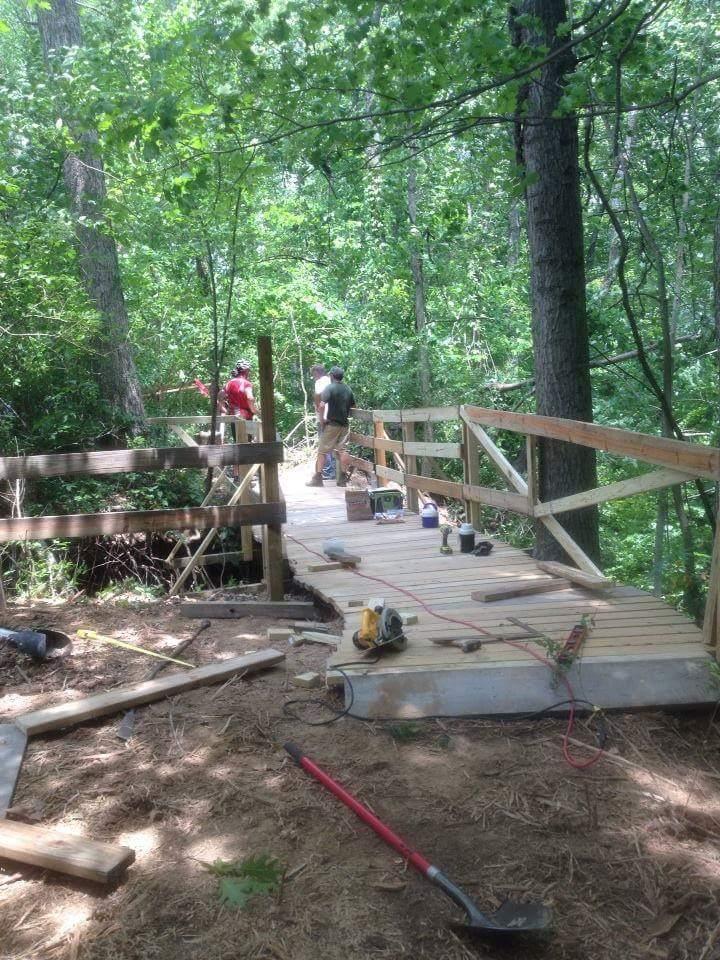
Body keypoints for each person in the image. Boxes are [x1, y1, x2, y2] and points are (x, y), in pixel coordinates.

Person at [307, 366, 355, 487]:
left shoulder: (330, 388)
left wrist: (322, 420)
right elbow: (354, 407)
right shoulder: (348, 389)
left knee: (322, 451)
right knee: (343, 450)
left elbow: (322, 405)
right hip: (344, 425)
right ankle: (343, 478)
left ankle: (318, 478)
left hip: (332, 424)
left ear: (332, 376)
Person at [309, 363, 334, 479]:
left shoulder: (319, 382)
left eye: (313, 374)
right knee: (332, 443)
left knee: (324, 444)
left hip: (324, 417)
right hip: (333, 416)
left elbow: (319, 397)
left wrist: (320, 416)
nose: (313, 377)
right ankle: (332, 470)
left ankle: (328, 471)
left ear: (317, 373)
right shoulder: (330, 381)